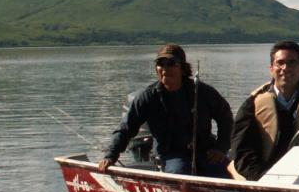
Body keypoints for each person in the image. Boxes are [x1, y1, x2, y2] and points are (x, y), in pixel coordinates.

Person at [98, 43, 233, 176]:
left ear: (183, 68)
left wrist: (221, 147)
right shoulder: (146, 97)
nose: (164, 68)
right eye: (160, 64)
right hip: (171, 154)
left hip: (206, 151)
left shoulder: (203, 92)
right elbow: (126, 129)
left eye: (171, 63)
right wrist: (111, 155)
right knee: (179, 174)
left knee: (230, 172)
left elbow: (225, 117)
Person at [229, 41, 299, 180]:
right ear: (271, 68)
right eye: (280, 63)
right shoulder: (252, 105)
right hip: (261, 179)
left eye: (292, 63)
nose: (285, 68)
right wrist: (267, 179)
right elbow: (242, 152)